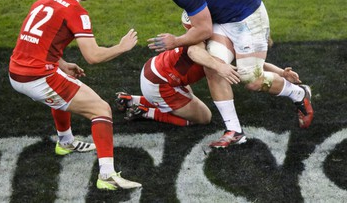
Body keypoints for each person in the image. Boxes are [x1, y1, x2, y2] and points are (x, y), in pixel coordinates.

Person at [133, 0, 313, 149]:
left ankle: (298, 94)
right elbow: (203, 32)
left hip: (247, 19)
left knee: (251, 80)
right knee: (214, 67)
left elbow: (203, 31)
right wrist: (223, 67)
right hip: (228, 19)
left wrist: (175, 41)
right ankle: (234, 131)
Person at [9, 0, 141, 190]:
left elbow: (35, 42)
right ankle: (107, 176)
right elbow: (93, 56)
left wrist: (61, 64)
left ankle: (66, 142)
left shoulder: (44, 0)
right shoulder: (75, 10)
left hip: (16, 72)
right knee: (101, 109)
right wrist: (121, 47)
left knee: (65, 87)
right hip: (38, 77)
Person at [116, 12, 302, 133]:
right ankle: (146, 112)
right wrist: (220, 67)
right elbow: (194, 51)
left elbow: (247, 63)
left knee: (189, 99)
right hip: (160, 82)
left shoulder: (214, 36)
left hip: (158, 72)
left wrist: (280, 72)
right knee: (203, 118)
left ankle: (132, 100)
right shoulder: (206, 39)